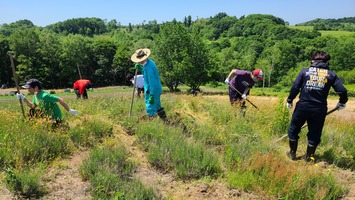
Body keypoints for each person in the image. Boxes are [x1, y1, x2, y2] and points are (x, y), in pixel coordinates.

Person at [285, 50, 348, 161]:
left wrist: (290, 100)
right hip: (319, 109)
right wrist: (342, 101)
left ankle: (292, 153)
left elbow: (295, 87)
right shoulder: (331, 75)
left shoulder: (304, 72)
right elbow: (342, 90)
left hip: (303, 106)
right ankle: (308, 158)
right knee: (315, 134)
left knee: (294, 130)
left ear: (313, 60)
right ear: (327, 62)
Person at [131, 48, 166, 119]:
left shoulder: (149, 67)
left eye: (140, 60)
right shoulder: (149, 63)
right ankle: (164, 119)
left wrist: (152, 95)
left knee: (150, 106)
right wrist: (141, 68)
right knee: (157, 105)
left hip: (152, 89)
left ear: (144, 58)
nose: (139, 62)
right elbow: (146, 73)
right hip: (155, 88)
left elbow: (152, 81)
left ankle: (152, 123)